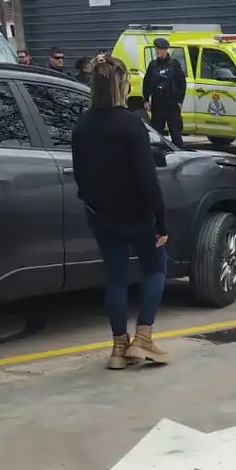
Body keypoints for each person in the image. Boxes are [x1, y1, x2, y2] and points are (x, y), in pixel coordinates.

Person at [71, 54, 171, 370]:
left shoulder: (82, 125)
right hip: (137, 214)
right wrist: (161, 217)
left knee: (115, 277)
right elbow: (147, 177)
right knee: (155, 268)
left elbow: (79, 174)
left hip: (101, 215)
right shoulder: (131, 125)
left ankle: (118, 347)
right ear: (122, 85)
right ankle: (143, 338)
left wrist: (92, 204)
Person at [142, 36, 187, 148]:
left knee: (175, 133)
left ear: (165, 50)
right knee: (156, 134)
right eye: (156, 49)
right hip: (157, 105)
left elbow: (182, 83)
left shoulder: (174, 65)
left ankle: (179, 153)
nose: (157, 52)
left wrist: (180, 101)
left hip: (171, 104)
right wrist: (146, 99)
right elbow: (146, 82)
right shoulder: (153, 65)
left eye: (159, 49)